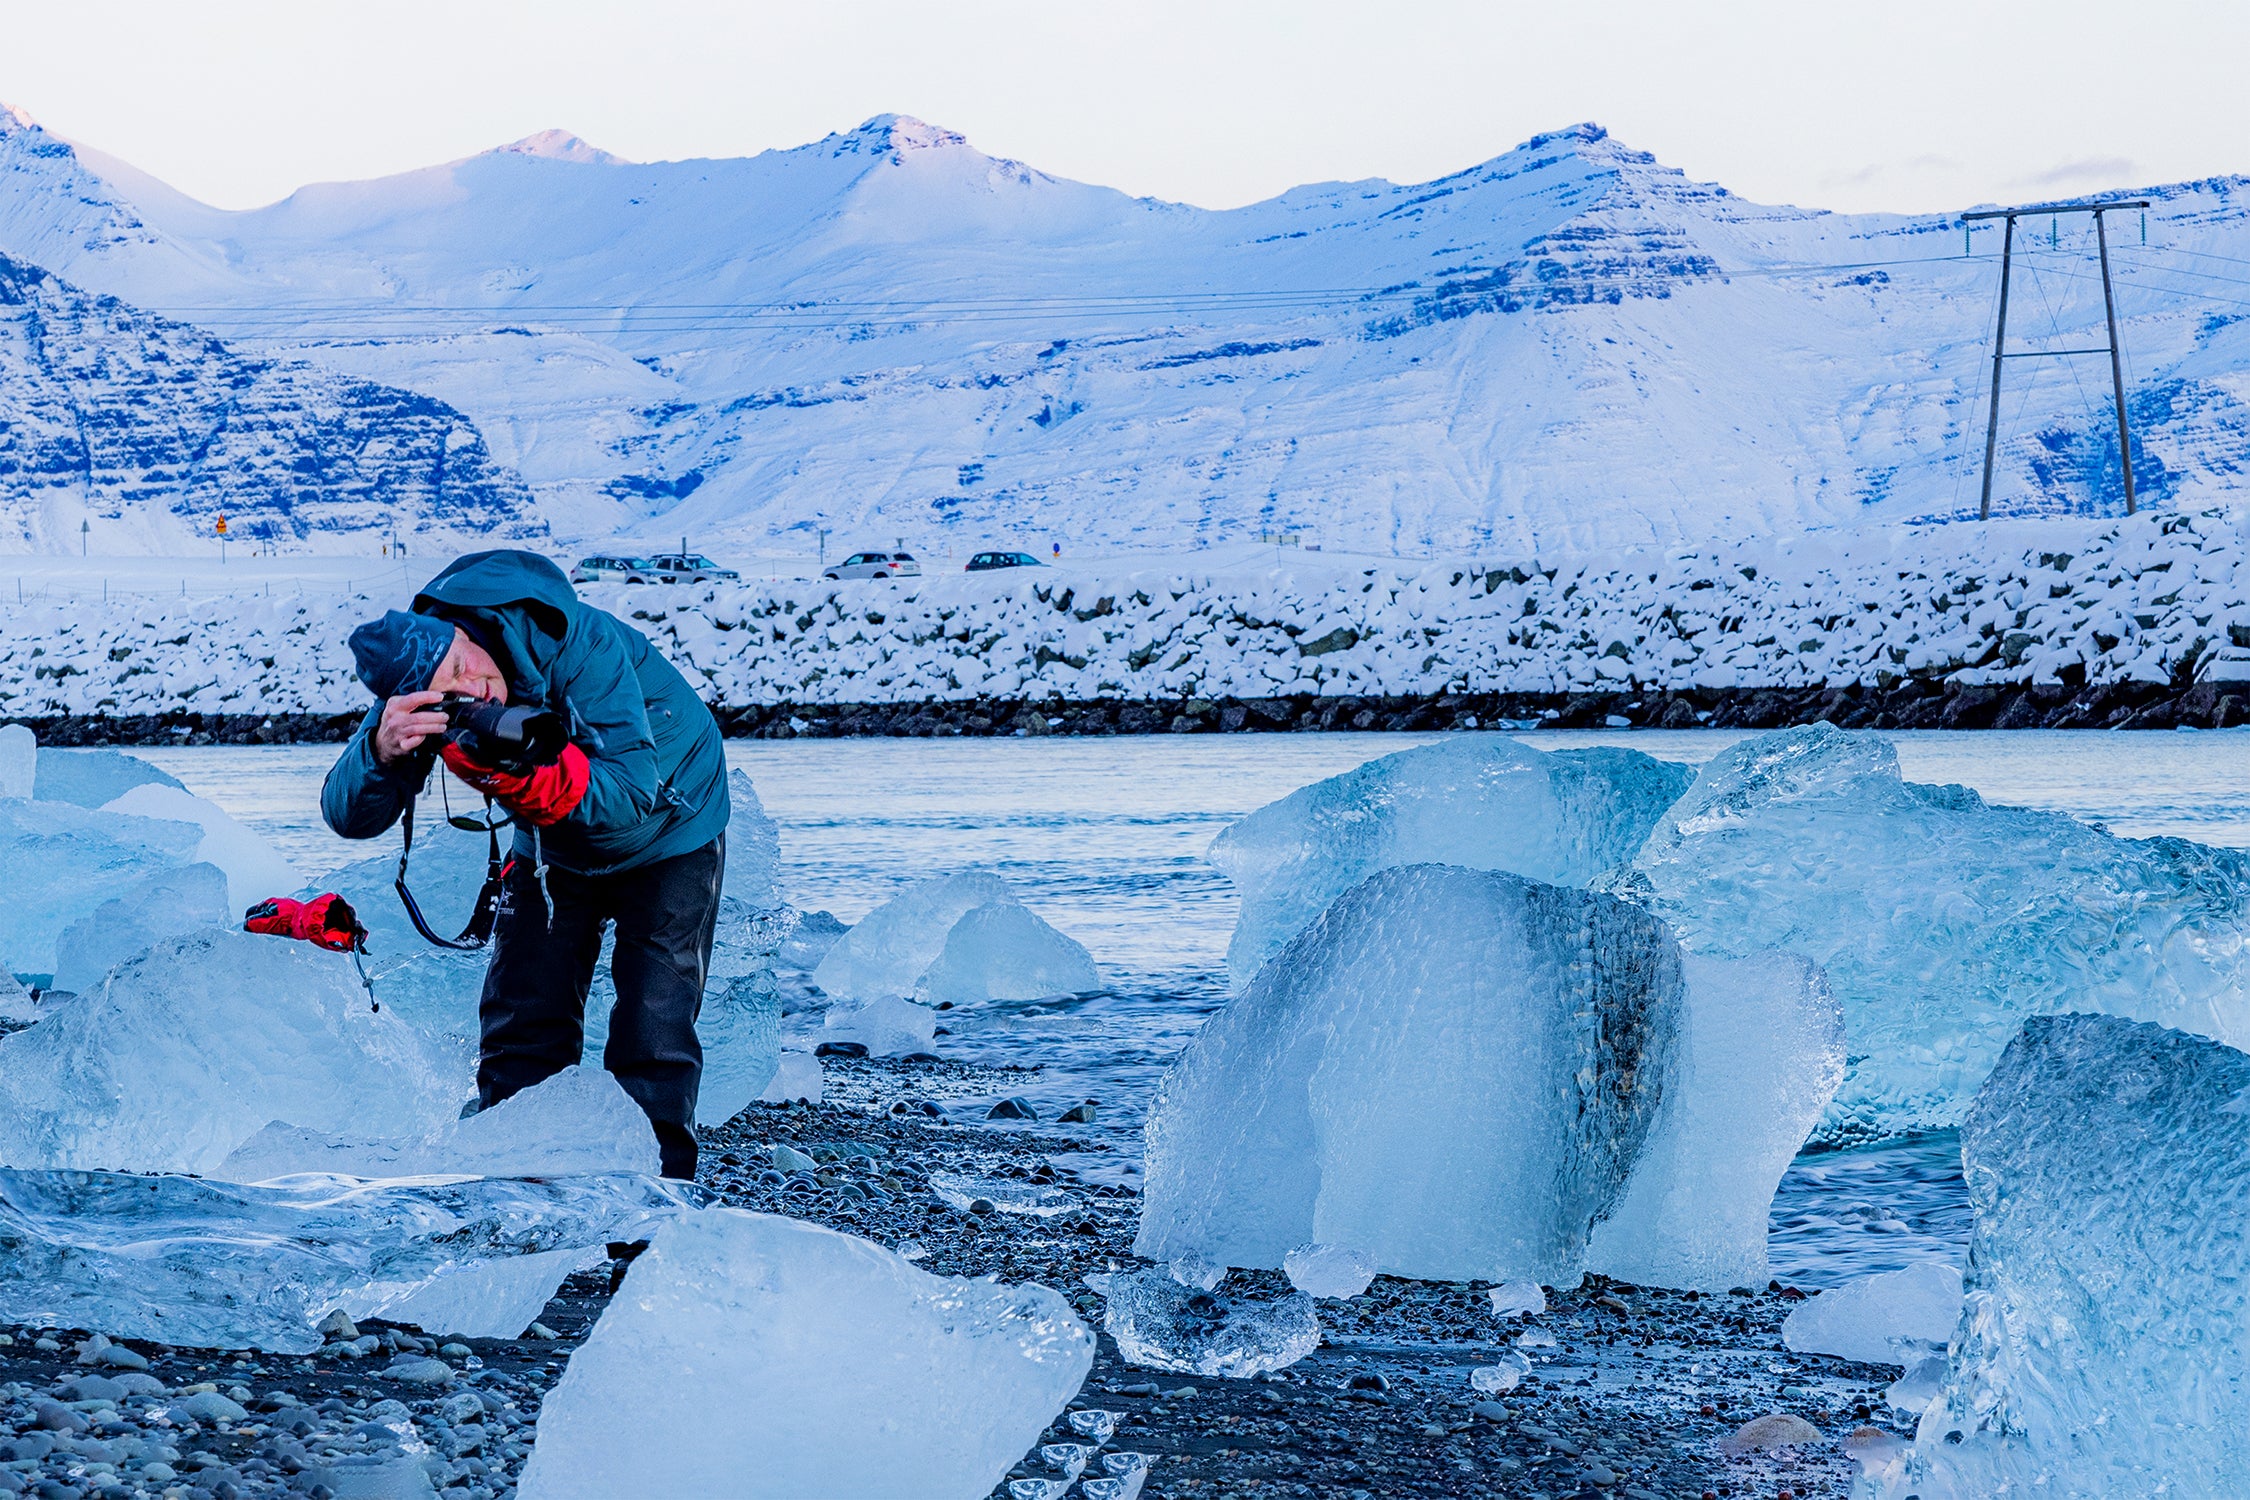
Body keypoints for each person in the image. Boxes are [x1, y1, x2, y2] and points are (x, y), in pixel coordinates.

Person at [322, 550, 728, 1179]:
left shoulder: (579, 643)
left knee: (654, 1022)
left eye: (465, 668)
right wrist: (381, 751)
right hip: (552, 843)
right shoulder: (423, 673)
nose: (472, 694)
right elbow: (346, 815)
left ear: (465, 632)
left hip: (672, 822)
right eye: (448, 696)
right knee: (522, 1016)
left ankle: (656, 1200)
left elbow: (628, 793)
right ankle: (518, 1184)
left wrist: (523, 774)